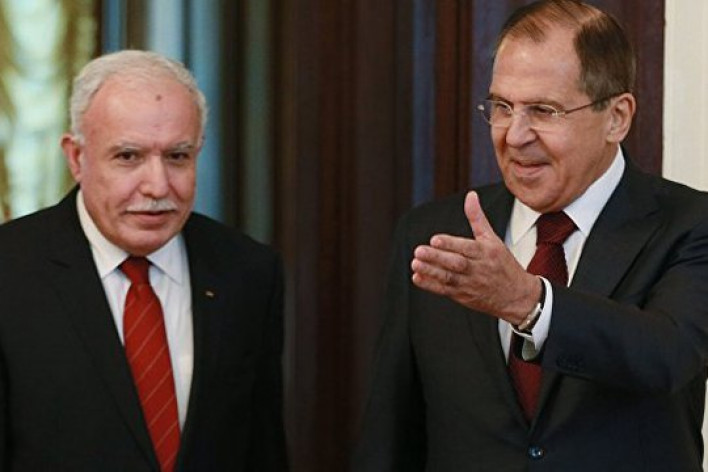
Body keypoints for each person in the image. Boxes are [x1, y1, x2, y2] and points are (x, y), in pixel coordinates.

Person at [352, 1, 708, 471]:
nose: (514, 135)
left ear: (617, 117)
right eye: (502, 107)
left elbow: (669, 357)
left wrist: (529, 303)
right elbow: (390, 433)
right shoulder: (434, 235)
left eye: (544, 110)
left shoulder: (688, 225)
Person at [0, 50, 288, 471]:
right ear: (76, 158)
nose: (157, 185)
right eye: (128, 157)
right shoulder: (11, 271)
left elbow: (262, 451)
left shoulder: (248, 272)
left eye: (177, 157)